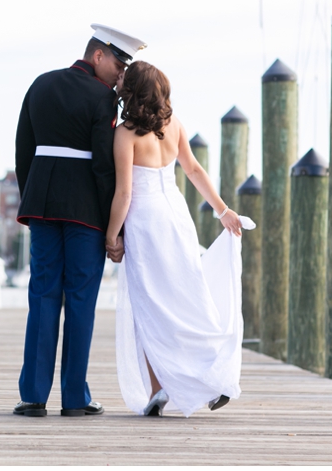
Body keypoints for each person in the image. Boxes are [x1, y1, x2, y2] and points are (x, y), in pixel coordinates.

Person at [13, 24, 147, 417]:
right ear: (98, 55)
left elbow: (24, 149)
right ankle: (75, 397)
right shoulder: (103, 98)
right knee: (81, 301)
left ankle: (33, 396)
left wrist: (31, 198)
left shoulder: (40, 84)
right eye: (119, 63)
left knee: (41, 296)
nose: (121, 73)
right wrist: (115, 227)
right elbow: (105, 168)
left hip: (42, 206)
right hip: (86, 212)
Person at [105, 60, 252, 417]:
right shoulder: (174, 126)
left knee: (150, 303)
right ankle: (211, 373)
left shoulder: (125, 134)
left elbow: (124, 193)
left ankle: (159, 388)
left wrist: (111, 236)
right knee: (188, 295)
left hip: (145, 220)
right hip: (177, 215)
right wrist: (222, 210)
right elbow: (194, 170)